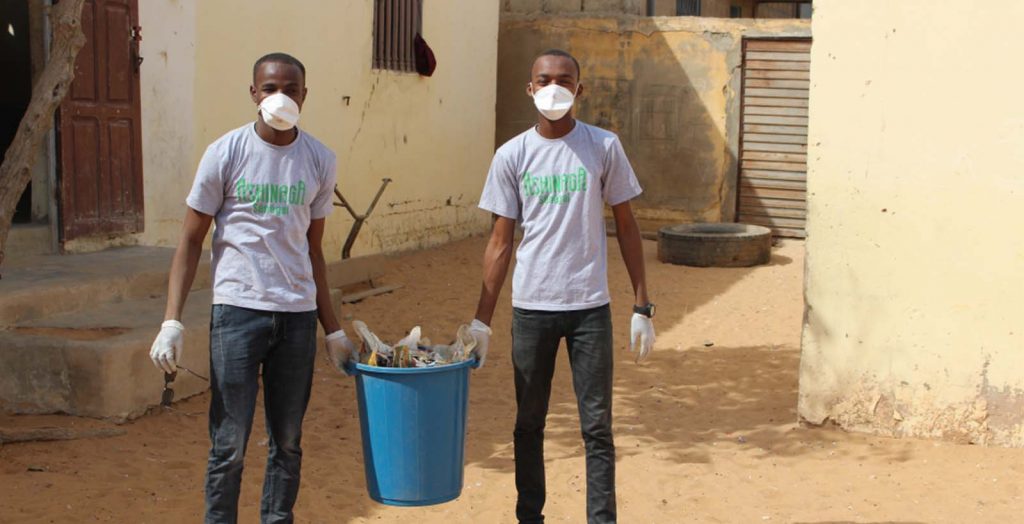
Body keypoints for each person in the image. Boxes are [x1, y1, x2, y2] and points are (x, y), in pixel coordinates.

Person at [148, 52, 358, 524]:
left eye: (290, 88)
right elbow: (189, 239)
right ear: (253, 93)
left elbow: (314, 250)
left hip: (297, 318)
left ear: (305, 95)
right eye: (269, 88)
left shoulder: (320, 159)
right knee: (229, 445)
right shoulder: (226, 153)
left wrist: (333, 330)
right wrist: (171, 320)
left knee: (287, 440)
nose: (279, 97)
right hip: (237, 314)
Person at [467, 49, 656, 524]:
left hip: (590, 307)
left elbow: (627, 227)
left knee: (597, 427)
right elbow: (499, 242)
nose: (554, 88)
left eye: (565, 80)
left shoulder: (603, 146)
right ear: (530, 88)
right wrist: (481, 323)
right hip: (532, 308)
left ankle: (602, 518)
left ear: (579, 89)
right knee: (529, 423)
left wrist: (642, 305)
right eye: (545, 79)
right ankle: (529, 515)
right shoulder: (512, 155)